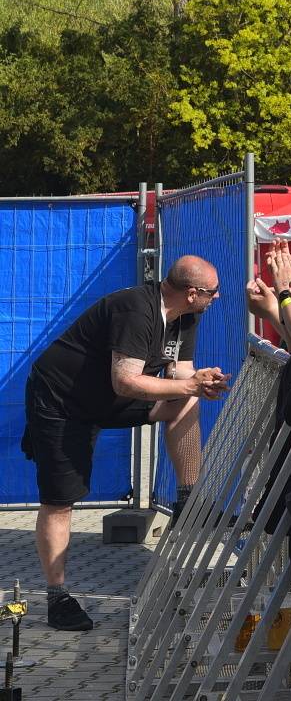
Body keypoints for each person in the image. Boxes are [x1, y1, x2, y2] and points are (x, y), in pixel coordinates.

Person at [23, 255, 229, 630]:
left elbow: (181, 375)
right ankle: (57, 598)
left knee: (186, 401)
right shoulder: (137, 310)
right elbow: (126, 380)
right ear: (193, 292)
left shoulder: (187, 316)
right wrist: (188, 385)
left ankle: (187, 500)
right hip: (63, 399)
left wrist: (199, 381)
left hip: (108, 397)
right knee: (60, 501)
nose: (218, 298)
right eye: (213, 293)